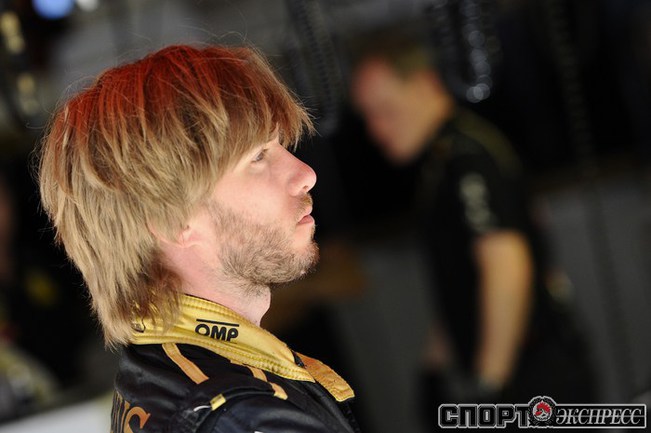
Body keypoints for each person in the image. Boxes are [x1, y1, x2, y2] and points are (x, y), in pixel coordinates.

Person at [38, 44, 360, 433]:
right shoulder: (242, 416)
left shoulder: (159, 373)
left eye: (280, 145)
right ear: (172, 220)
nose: (305, 174)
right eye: (258, 157)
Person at [349, 26, 594, 425]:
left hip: (536, 376)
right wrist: (434, 369)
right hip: (523, 370)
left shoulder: (466, 160)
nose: (376, 130)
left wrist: (490, 389)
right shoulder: (444, 162)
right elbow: (464, 281)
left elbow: (506, 264)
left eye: (385, 110)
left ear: (425, 83)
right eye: (368, 117)